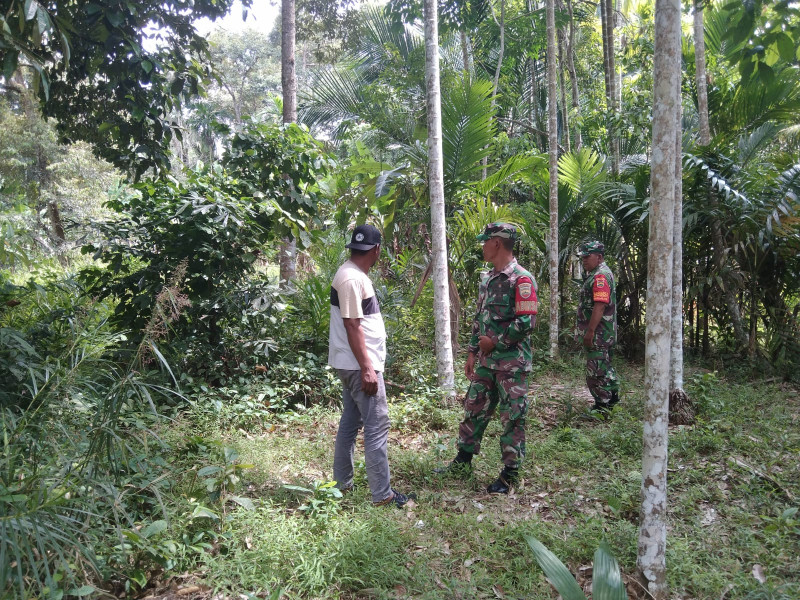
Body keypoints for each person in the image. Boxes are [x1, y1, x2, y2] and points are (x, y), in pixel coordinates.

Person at [436, 222, 537, 494]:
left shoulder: (522, 279)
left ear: (497, 242)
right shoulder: (488, 278)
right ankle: (463, 460)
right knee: (474, 407)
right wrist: (472, 351)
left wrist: (496, 342)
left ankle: (510, 474)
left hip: (511, 364)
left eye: (485, 241)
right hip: (486, 362)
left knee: (512, 416)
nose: (482, 246)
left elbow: (526, 322)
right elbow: (480, 319)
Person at [328, 224, 414, 507]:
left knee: (351, 423)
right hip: (358, 366)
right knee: (377, 426)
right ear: (376, 250)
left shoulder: (352, 275)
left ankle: (341, 486)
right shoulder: (352, 278)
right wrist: (367, 368)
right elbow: (352, 326)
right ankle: (383, 495)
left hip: (352, 364)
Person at [576, 241, 620, 415]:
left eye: (587, 257)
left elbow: (600, 305)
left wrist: (591, 331)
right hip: (604, 333)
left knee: (596, 371)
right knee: (605, 367)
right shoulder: (597, 274)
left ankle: (603, 406)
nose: (584, 260)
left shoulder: (600, 276)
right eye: (583, 257)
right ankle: (612, 399)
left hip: (599, 333)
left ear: (599, 257)